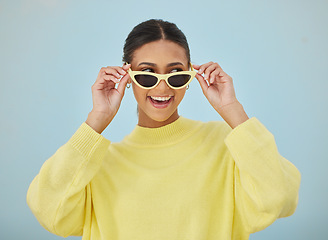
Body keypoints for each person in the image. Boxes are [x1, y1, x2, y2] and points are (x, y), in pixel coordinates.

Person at [27, 19, 301, 240]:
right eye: (147, 74)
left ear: (191, 78)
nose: (162, 87)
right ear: (127, 77)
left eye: (176, 74)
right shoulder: (96, 163)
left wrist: (232, 109)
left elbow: (280, 197)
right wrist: (97, 118)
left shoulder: (225, 144)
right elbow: (49, 211)